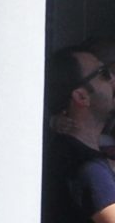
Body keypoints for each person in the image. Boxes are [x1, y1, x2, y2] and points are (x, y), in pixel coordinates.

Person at [42, 45, 115, 223]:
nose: (113, 78)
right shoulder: (85, 166)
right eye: (104, 73)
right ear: (81, 97)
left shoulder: (71, 153)